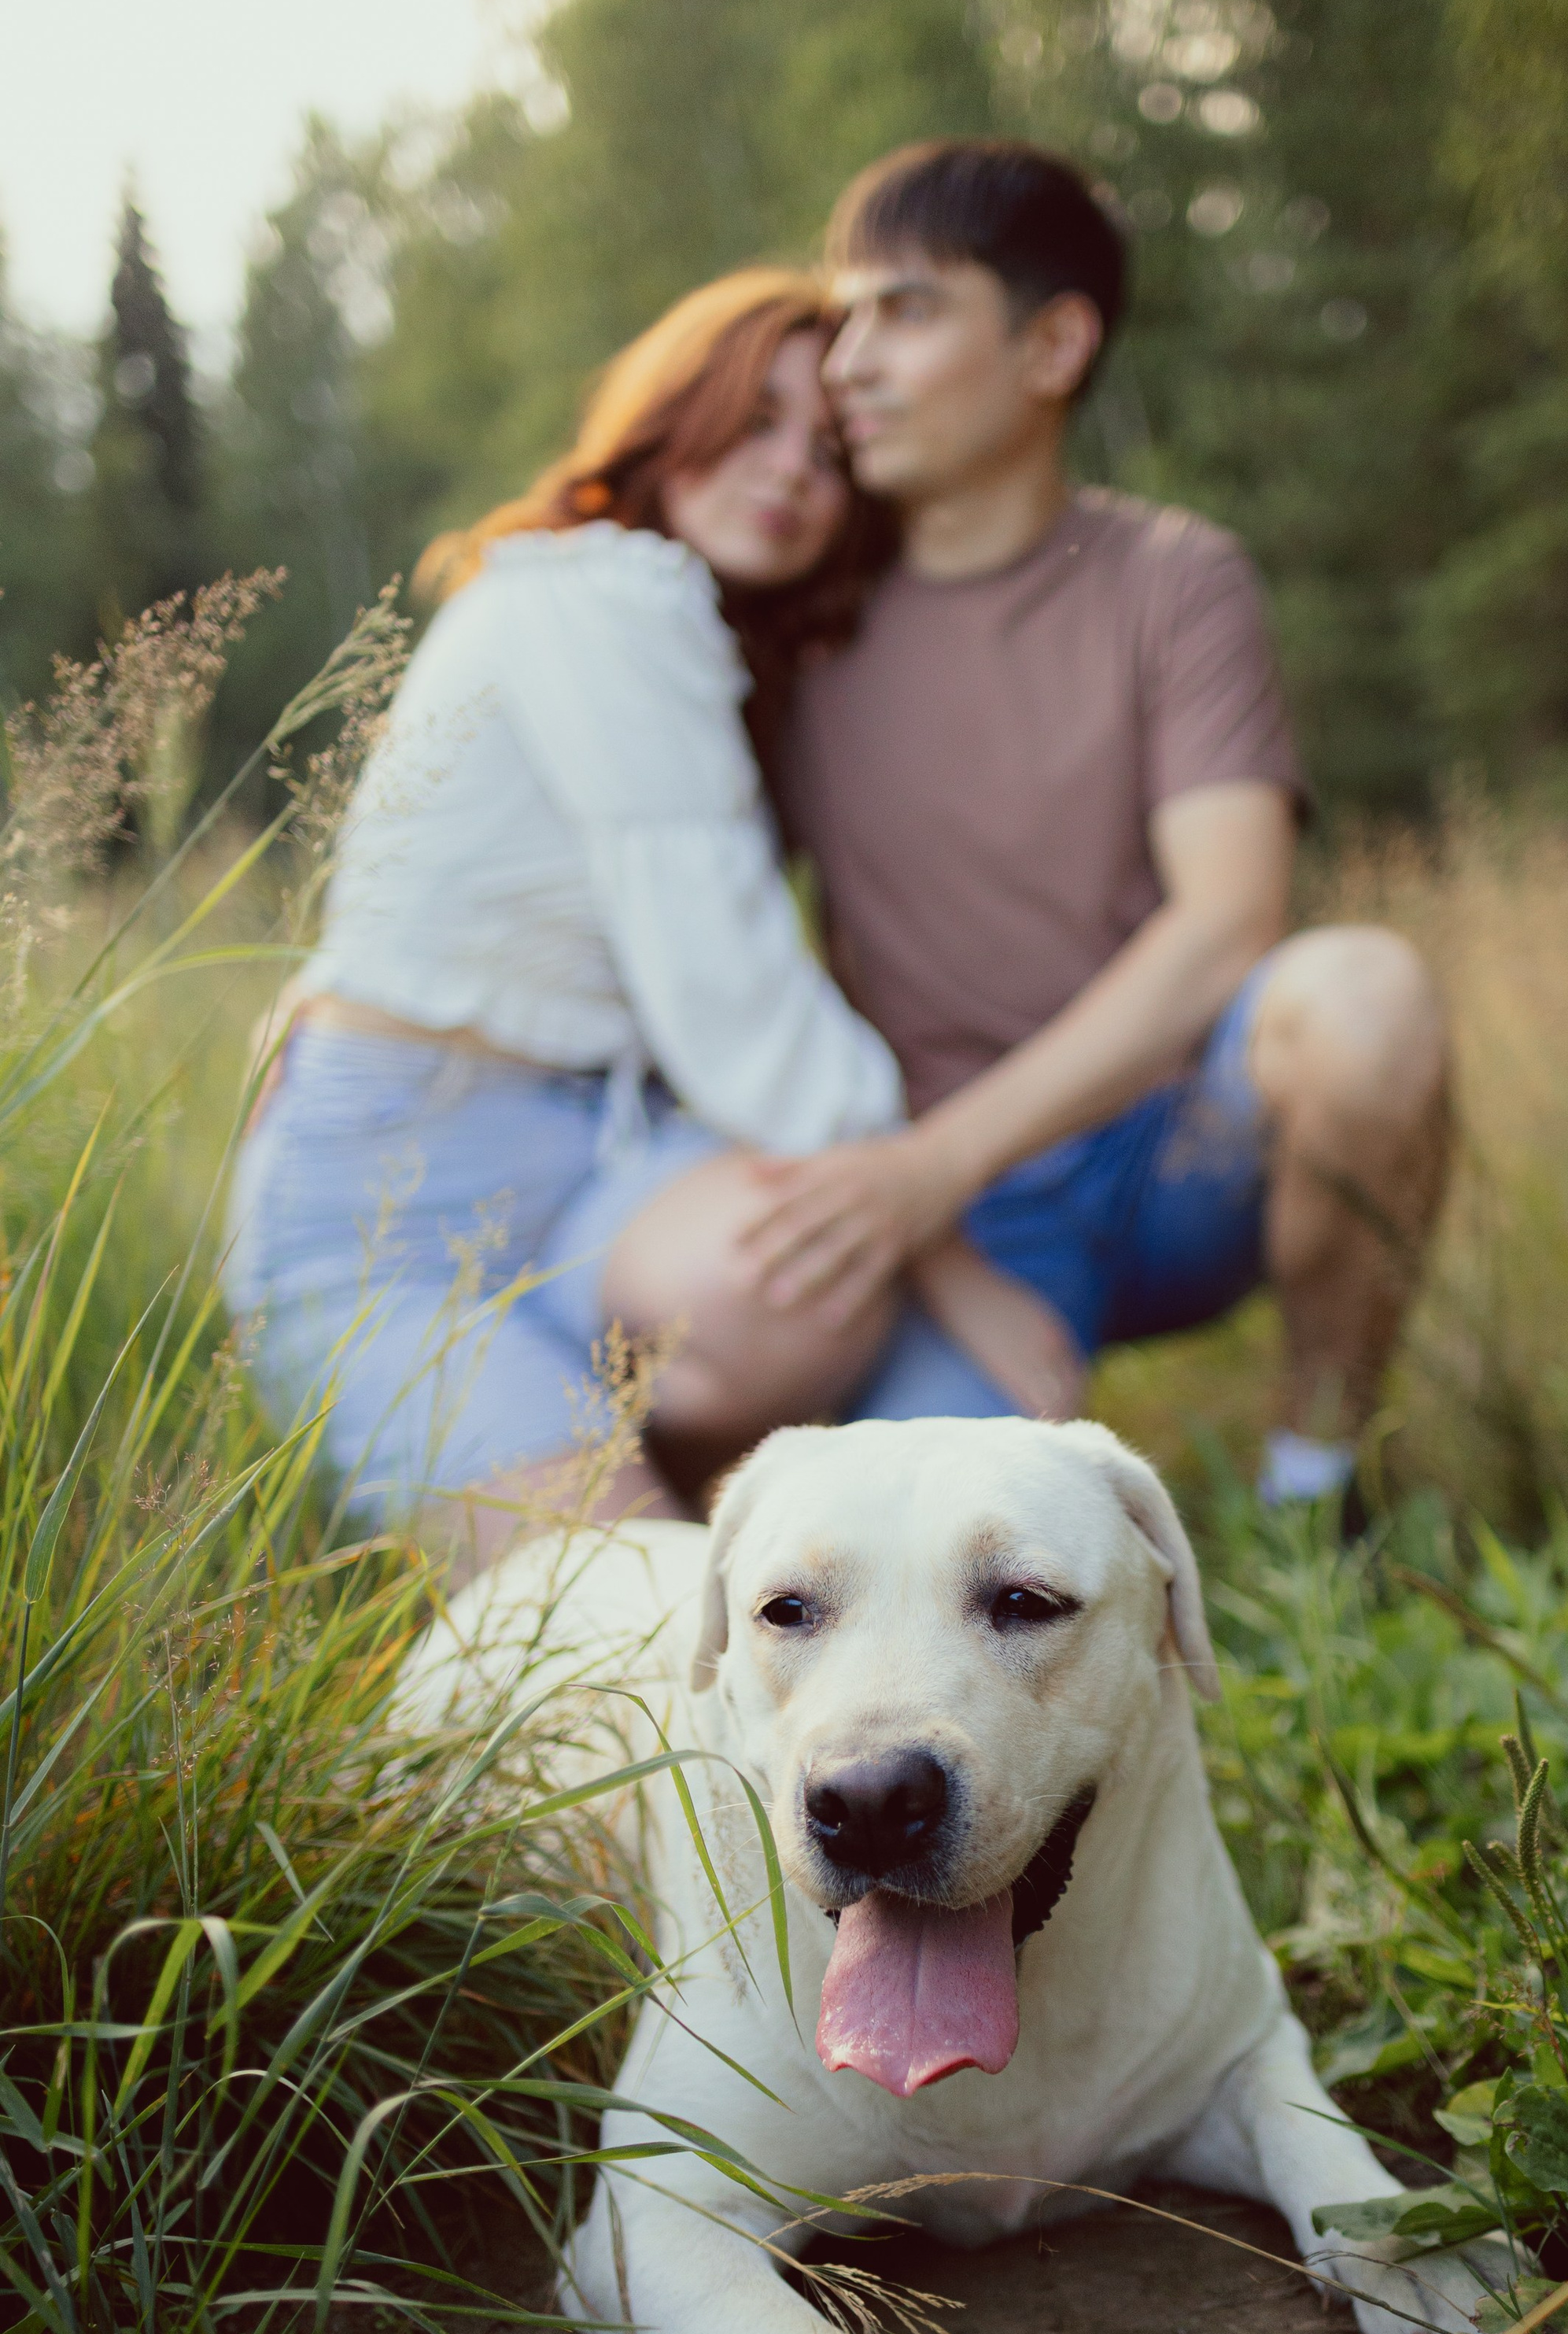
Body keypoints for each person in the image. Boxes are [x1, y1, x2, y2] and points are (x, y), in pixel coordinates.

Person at [227, 267, 1058, 1569]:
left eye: (830, 453)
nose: (790, 472)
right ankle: (625, 1480)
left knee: (793, 1285)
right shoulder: (598, 593)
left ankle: (692, 1461)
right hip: (391, 1216)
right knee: (640, 1641)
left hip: (604, 1171)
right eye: (755, 420)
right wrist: (953, 1263)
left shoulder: (698, 639)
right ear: (671, 418)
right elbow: (732, 999)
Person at [732, 140, 1449, 1509]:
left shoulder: (1176, 579)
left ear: (1054, 345)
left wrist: (936, 1162)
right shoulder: (795, 611)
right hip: (944, 1221)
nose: (848, 366)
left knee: (1369, 999)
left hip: (1173, 1150)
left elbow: (1230, 921)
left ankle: (1317, 1493)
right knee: (920, 1537)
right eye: (844, 318)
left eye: (907, 310)